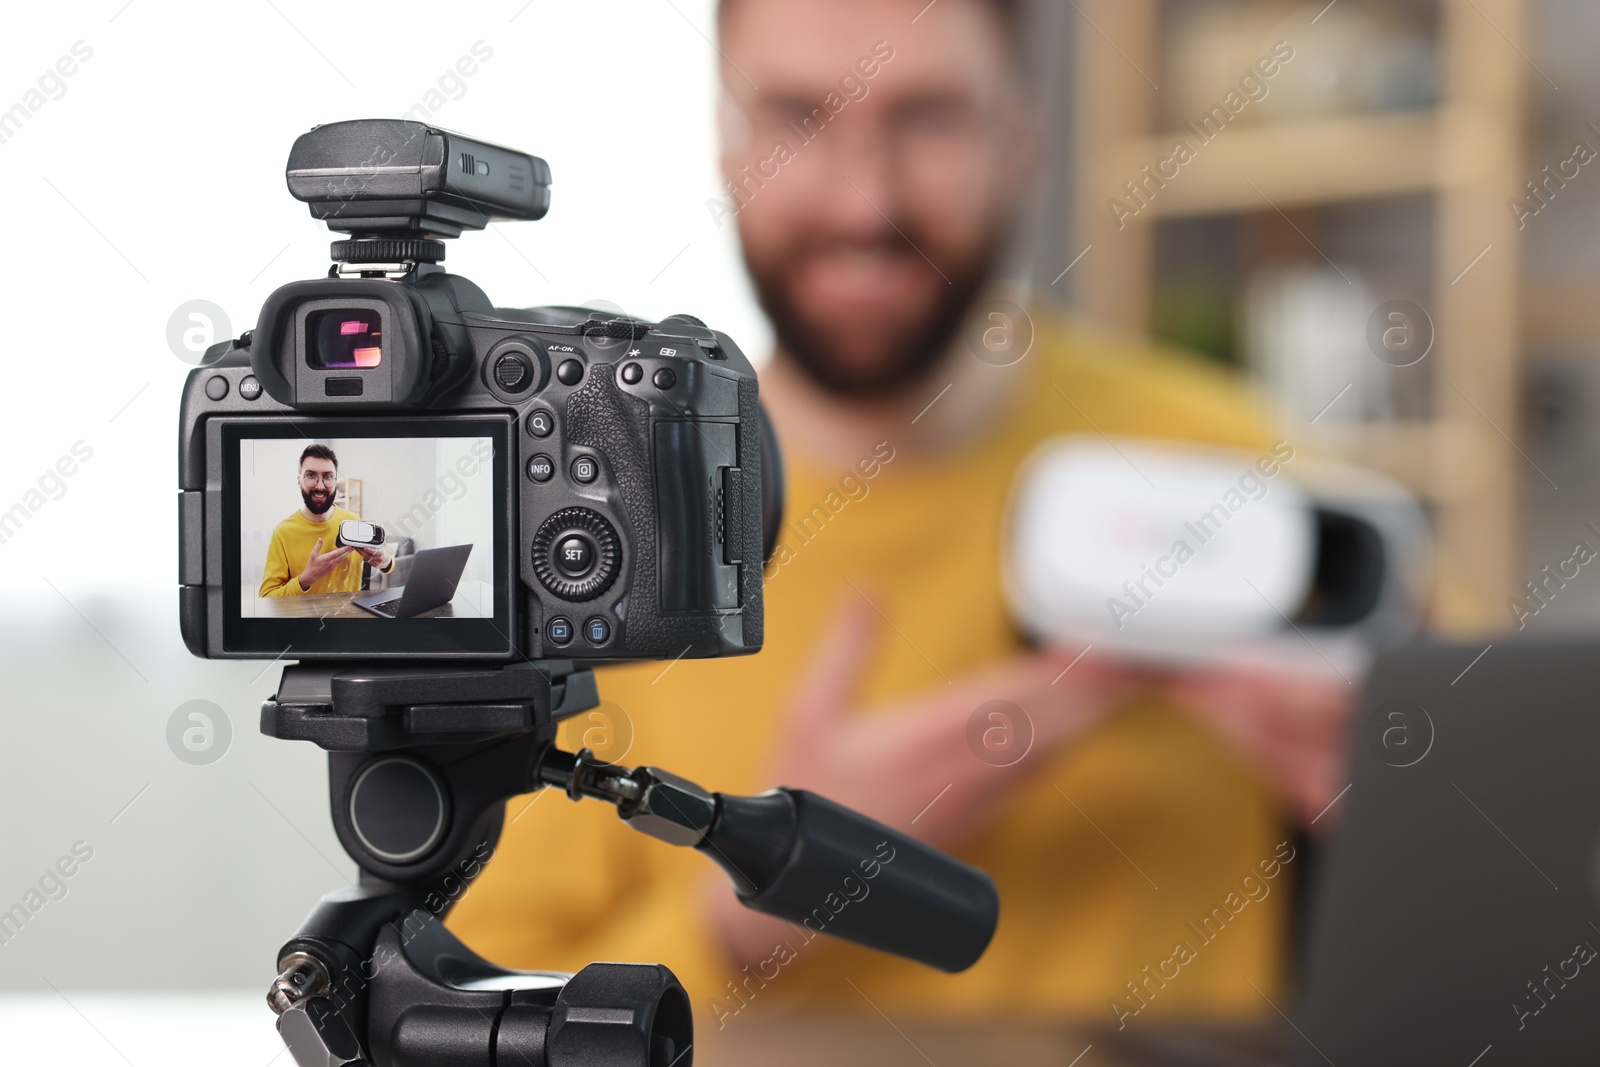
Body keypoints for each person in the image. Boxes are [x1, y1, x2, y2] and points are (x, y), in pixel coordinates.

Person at [448, 0, 1353, 1035]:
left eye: (928, 116)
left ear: (1021, 137)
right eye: (796, 116)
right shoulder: (582, 534)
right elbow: (472, 1010)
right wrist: (772, 882)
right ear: (724, 137)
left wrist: (1385, 795)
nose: (863, 201)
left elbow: (1530, 859)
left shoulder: (1241, 469)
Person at [259, 444, 392, 597]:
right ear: (299, 480)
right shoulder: (282, 532)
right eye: (311, 475)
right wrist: (306, 579)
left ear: (335, 481)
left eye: (328, 476)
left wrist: (385, 559)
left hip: (349, 618)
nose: (320, 486)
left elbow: (387, 564)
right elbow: (267, 597)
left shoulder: (353, 521)